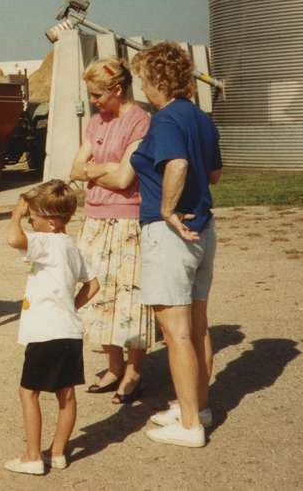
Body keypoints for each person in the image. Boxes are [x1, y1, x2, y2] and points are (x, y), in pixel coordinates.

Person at [99, 41, 222, 448]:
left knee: (177, 332)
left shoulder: (166, 119)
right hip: (203, 229)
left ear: (155, 80)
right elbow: (214, 173)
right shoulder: (201, 118)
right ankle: (196, 407)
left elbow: (179, 164)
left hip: (170, 234)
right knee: (198, 325)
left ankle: (190, 428)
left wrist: (168, 208)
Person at [69, 57, 154, 405]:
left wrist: (96, 169)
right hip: (95, 217)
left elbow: (125, 178)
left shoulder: (140, 122)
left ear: (118, 89)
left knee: (128, 296)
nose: (94, 101)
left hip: (128, 220)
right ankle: (113, 364)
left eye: (98, 95)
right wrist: (105, 168)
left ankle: (134, 369)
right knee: (99, 293)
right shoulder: (96, 121)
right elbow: (75, 167)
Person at [4, 180, 100, 475]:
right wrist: (71, 305)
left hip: (46, 331)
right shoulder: (72, 246)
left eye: (33, 216)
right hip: (69, 331)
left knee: (28, 393)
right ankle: (57, 452)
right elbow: (93, 284)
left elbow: (14, 240)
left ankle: (32, 456)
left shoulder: (45, 241)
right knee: (66, 394)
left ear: (49, 220)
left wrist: (14, 215)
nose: (29, 220)